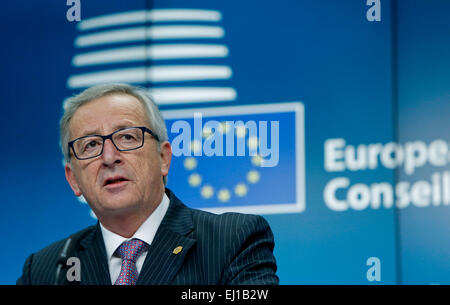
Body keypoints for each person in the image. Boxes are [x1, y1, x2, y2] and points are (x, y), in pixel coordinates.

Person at [17, 83, 279, 285]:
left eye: (128, 137)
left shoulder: (233, 240)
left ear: (163, 158)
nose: (109, 158)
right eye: (91, 145)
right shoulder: (45, 269)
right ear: (73, 179)